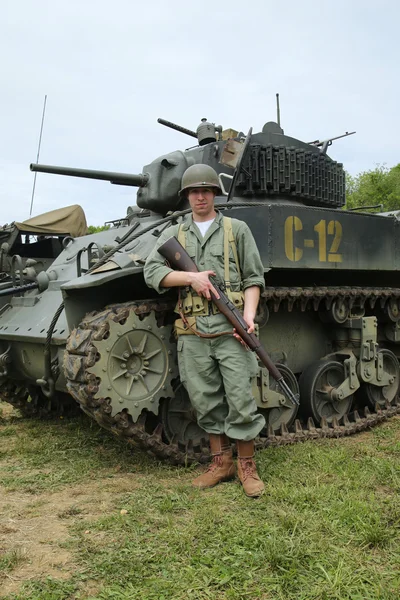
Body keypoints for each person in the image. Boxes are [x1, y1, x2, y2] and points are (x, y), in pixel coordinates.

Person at [144, 164, 266, 497]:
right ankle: (220, 462)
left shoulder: (236, 230)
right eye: (194, 192)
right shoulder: (177, 236)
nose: (200, 196)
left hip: (231, 328)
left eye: (206, 190)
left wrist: (249, 318)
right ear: (186, 197)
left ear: (214, 194)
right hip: (192, 330)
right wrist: (190, 278)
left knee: (240, 397)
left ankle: (247, 465)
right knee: (205, 398)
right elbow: (152, 271)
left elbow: (254, 280)